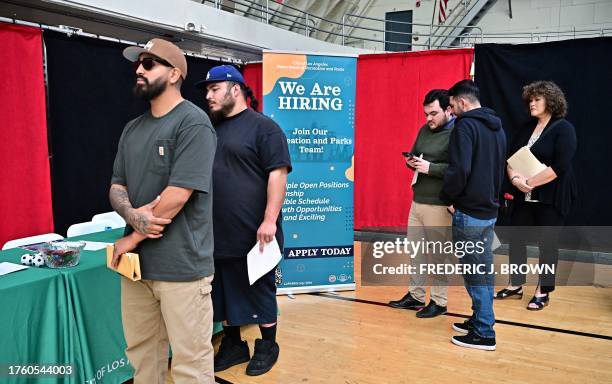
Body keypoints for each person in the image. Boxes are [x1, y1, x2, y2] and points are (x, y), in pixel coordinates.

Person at [109, 38, 217, 383]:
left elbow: (177, 195)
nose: (139, 69)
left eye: (149, 63)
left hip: (183, 267)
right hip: (138, 271)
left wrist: (132, 238)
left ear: (174, 74)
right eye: (138, 63)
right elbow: (116, 187)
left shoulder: (193, 123)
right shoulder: (132, 129)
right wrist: (134, 215)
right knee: (142, 354)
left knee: (190, 363)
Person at [194, 65, 292, 376]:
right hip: (217, 232)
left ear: (235, 89)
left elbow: (277, 174)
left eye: (214, 89)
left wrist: (269, 220)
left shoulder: (264, 128)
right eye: (206, 91)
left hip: (255, 233)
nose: (208, 96)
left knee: (259, 289)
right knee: (221, 291)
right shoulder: (210, 128)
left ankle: (267, 345)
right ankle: (234, 344)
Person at [495, 81, 577, 310]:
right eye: (530, 100)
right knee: (517, 239)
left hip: (552, 196)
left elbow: (559, 168)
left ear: (550, 102)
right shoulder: (525, 127)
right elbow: (510, 158)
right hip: (524, 194)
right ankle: (515, 285)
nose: (531, 103)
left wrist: (528, 182)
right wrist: (514, 180)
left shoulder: (564, 128)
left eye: (537, 99)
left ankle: (543, 290)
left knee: (547, 243)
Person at [440, 80, 506, 351]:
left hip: (470, 212)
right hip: (489, 211)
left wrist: (449, 197)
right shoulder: (497, 127)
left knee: (474, 272)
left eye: (452, 105)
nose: (451, 110)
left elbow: (459, 169)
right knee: (483, 270)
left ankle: (484, 332)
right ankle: (480, 318)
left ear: (462, 102)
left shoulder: (465, 126)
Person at [388, 89, 455, 318]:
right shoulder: (425, 130)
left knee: (438, 255)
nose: (429, 119)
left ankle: (439, 301)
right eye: (426, 114)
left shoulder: (458, 132)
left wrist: (432, 169)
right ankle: (415, 295)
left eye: (434, 113)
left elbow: (460, 169)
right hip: (418, 200)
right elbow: (416, 153)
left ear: (449, 110)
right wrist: (412, 162)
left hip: (440, 204)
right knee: (415, 251)